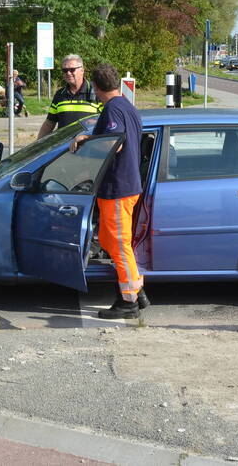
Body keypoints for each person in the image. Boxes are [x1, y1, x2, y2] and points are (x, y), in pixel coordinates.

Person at [70, 63, 149, 319]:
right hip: (124, 185)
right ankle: (137, 290)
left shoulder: (113, 108)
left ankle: (129, 302)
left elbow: (114, 143)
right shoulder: (126, 105)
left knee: (118, 244)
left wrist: (86, 142)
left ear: (95, 86)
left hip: (118, 187)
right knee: (107, 240)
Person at [35, 54, 100, 139]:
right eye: (65, 70)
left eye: (72, 70)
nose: (68, 73)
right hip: (64, 146)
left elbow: (107, 122)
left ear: (82, 70)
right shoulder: (60, 94)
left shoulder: (96, 92)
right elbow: (49, 123)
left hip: (88, 145)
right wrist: (38, 144)